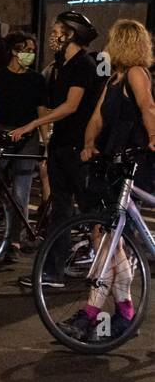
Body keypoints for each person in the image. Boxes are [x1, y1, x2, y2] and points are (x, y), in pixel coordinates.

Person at [56, 19, 155, 341]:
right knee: (110, 244)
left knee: (111, 244)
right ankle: (123, 313)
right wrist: (88, 143)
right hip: (111, 164)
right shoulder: (114, 79)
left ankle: (93, 314)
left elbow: (148, 106)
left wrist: (153, 136)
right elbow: (96, 116)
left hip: (131, 163)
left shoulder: (137, 74)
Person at [10, 10, 103, 289]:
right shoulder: (61, 65)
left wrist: (33, 124)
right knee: (60, 212)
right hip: (62, 146)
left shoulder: (83, 65)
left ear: (70, 34)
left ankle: (107, 269)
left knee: (92, 211)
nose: (52, 35)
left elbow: (72, 106)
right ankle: (54, 272)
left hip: (78, 149)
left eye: (56, 30)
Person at [0, 31, 48, 258]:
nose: (29, 54)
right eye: (25, 50)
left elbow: (42, 113)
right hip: (2, 134)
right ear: (13, 50)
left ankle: (14, 241)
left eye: (32, 51)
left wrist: (45, 143)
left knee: (22, 191)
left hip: (27, 138)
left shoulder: (37, 80)